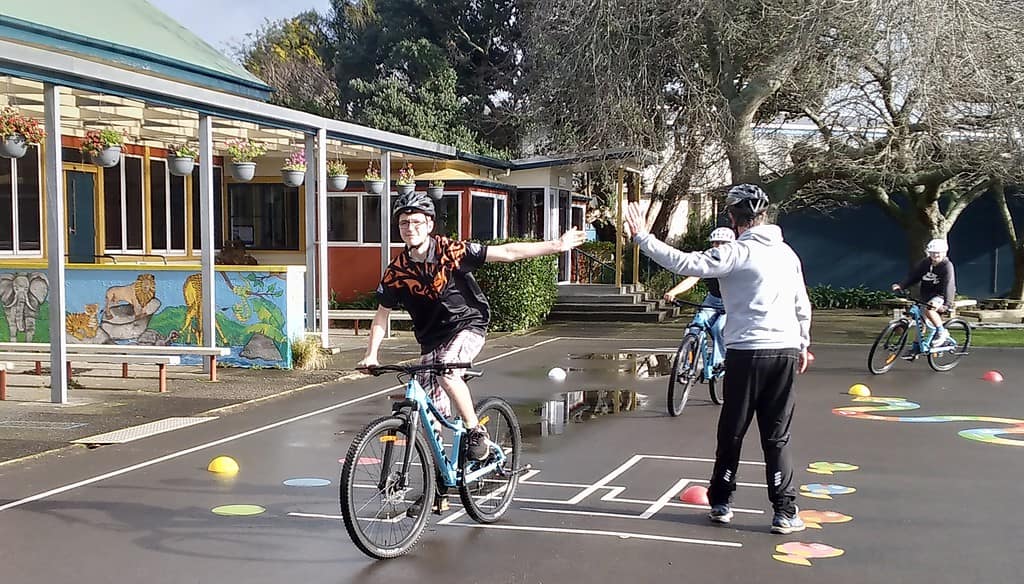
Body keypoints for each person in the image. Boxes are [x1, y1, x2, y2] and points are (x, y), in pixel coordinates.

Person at [623, 184, 812, 534]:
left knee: (733, 431)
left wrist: (643, 238)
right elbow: (802, 302)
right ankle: (785, 512)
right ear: (764, 216)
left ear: (732, 218)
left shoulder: (738, 252)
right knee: (776, 436)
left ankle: (722, 502)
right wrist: (803, 343)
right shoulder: (787, 254)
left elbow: (685, 262)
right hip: (784, 350)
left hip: (747, 351)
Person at [358, 191, 586, 462]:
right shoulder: (397, 270)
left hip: (468, 325)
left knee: (446, 369)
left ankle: (475, 430)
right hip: (431, 338)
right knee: (429, 415)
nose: (410, 229)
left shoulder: (449, 251)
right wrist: (371, 354)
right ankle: (440, 482)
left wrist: (556, 246)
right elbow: (382, 315)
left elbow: (508, 252)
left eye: (417, 222)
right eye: (404, 223)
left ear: (430, 225)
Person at [662, 226, 735, 371]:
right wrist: (673, 292)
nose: (718, 246)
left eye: (723, 243)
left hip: (730, 303)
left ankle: (718, 363)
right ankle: (687, 366)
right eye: (715, 243)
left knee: (719, 329)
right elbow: (693, 278)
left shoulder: (736, 261)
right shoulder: (709, 260)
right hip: (712, 300)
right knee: (694, 328)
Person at [892, 239, 956, 349]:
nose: (935, 255)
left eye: (938, 253)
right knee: (920, 321)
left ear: (944, 252)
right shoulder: (925, 263)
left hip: (940, 295)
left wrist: (947, 305)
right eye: (932, 253)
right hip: (926, 294)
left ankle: (942, 332)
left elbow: (948, 285)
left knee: (929, 310)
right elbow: (915, 276)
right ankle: (916, 347)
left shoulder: (947, 266)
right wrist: (901, 285)